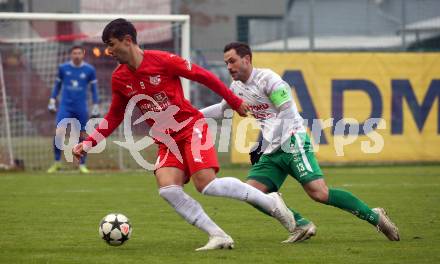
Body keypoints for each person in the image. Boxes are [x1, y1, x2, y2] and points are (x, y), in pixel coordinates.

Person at [72, 18, 297, 251]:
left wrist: (234, 101)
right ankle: (217, 235)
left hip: (191, 127)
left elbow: (204, 76)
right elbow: (114, 116)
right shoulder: (120, 78)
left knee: (207, 186)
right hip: (167, 140)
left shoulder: (163, 61)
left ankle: (270, 202)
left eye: (112, 44)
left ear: (127, 41)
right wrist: (88, 143)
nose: (109, 51)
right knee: (168, 189)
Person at [200, 42, 400, 242]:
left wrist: (263, 144)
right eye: (226, 63)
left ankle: (376, 217)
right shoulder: (236, 87)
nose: (229, 67)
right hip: (271, 149)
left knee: (319, 193)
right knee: (252, 192)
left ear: (247, 59)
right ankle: (301, 225)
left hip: (292, 140)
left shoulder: (268, 79)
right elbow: (221, 109)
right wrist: (191, 115)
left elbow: (286, 111)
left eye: (232, 61)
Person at [47, 45, 100, 174]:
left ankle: (82, 164)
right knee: (59, 132)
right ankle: (57, 162)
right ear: (71, 55)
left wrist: (96, 105)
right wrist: (52, 100)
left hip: (81, 107)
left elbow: (94, 89)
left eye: (79, 53)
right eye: (74, 53)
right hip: (65, 106)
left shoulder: (89, 70)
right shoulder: (63, 68)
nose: (76, 55)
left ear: (83, 55)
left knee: (82, 135)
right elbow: (57, 85)